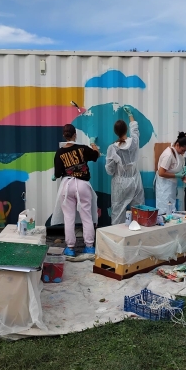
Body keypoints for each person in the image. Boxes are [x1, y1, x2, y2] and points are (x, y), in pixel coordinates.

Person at [50, 124, 100, 257]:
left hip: (67, 186)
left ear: (64, 136)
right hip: (83, 185)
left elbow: (58, 173)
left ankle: (70, 248)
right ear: (75, 134)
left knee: (69, 217)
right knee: (87, 217)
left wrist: (54, 176)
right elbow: (96, 155)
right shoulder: (82, 148)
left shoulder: (59, 152)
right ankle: (89, 247)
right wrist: (93, 144)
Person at [105, 106, 144, 224]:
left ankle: (118, 239)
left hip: (120, 184)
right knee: (138, 211)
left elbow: (110, 170)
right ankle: (138, 237)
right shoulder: (134, 142)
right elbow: (135, 130)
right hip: (136, 181)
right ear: (126, 129)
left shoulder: (113, 148)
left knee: (118, 213)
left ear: (115, 132)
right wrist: (130, 115)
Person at [155, 132, 186, 214]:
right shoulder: (168, 155)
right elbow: (161, 173)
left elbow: (173, 168)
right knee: (164, 210)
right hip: (164, 188)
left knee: (171, 209)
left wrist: (181, 174)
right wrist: (176, 175)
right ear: (177, 145)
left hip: (171, 186)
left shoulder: (177, 154)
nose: (183, 153)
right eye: (183, 150)